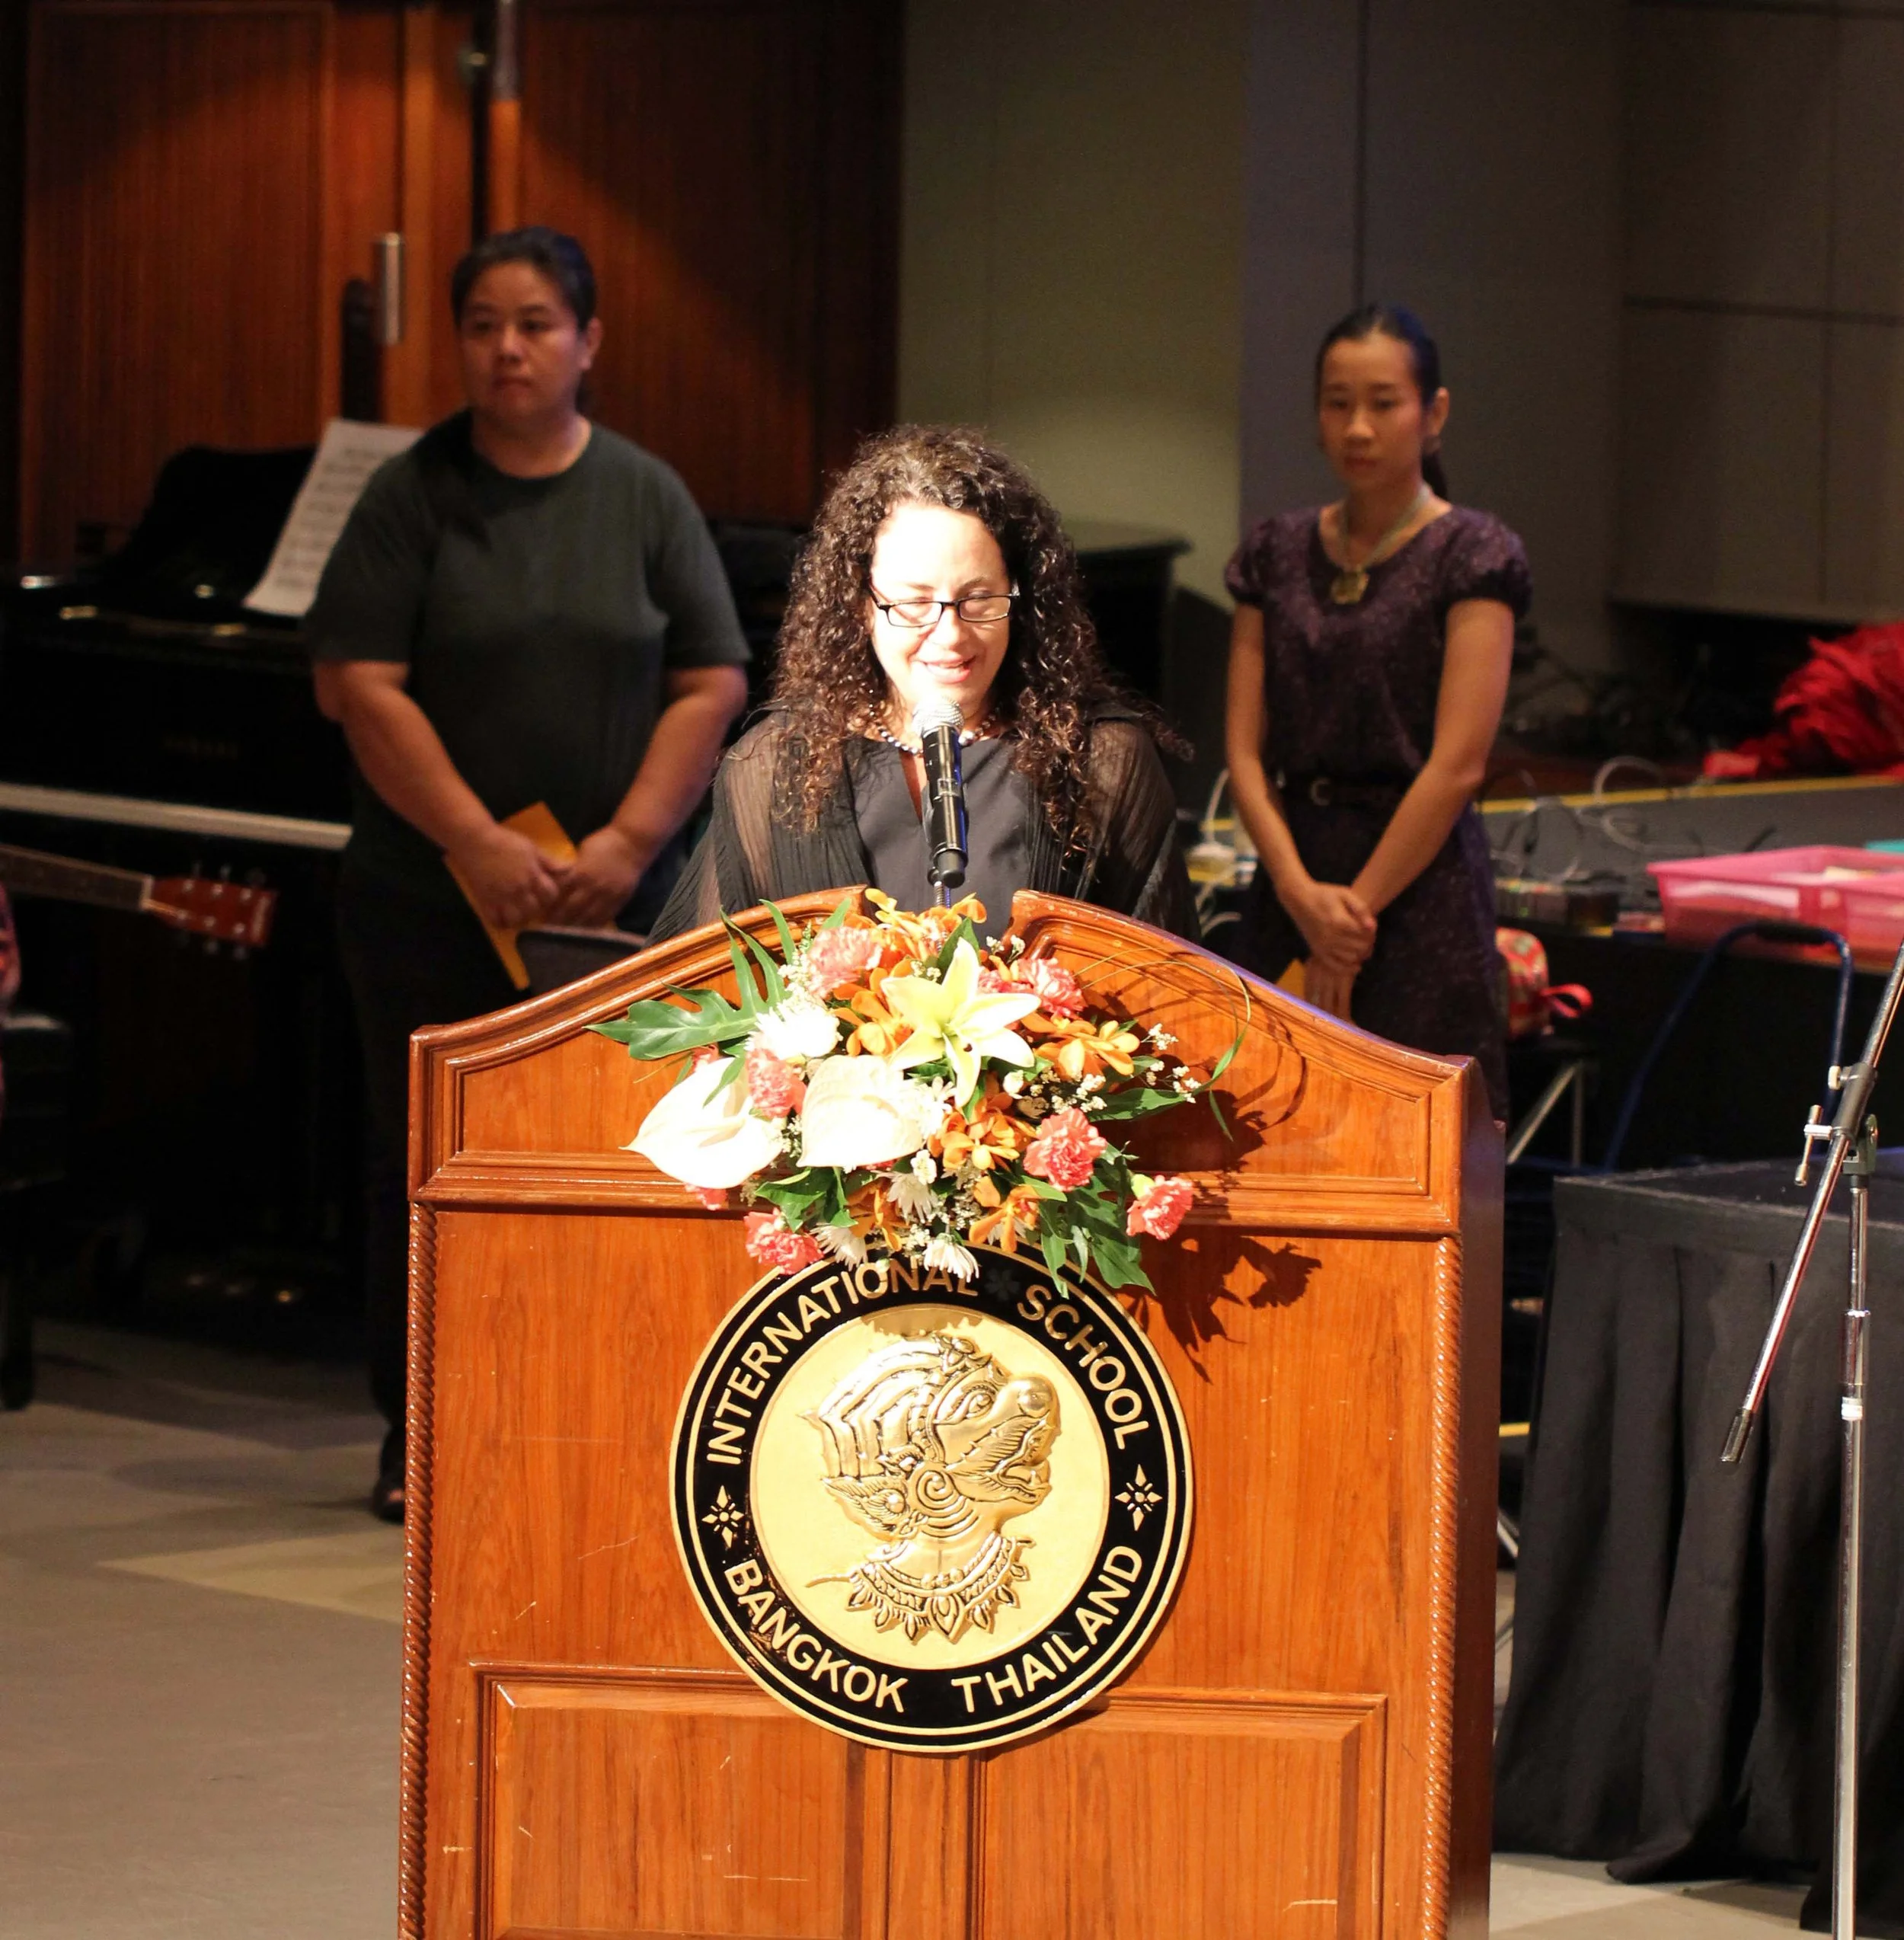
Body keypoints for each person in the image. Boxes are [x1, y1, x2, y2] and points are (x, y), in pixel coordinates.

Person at [308, 226, 750, 1519]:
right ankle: (423, 1435)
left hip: (609, 908)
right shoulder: (413, 494)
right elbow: (357, 685)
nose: (509, 349)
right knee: (426, 1164)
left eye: (537, 324)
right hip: (427, 900)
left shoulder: (644, 494)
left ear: (588, 341)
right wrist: (476, 843)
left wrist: (624, 845)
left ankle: (593, 1426)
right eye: (484, 326)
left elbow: (713, 678)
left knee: (608, 1156)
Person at [648, 424, 1195, 944]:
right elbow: (697, 985)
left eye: (978, 598)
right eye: (914, 603)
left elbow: (1170, 986)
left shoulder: (1100, 761)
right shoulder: (776, 764)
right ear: (862, 605)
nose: (951, 635)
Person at [1222, 302, 1527, 1116]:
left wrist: (1350, 918)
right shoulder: (1274, 550)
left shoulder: (1473, 552)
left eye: (1383, 403)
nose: (1358, 427)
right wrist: (1301, 896)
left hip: (1418, 888)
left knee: (1425, 1133)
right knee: (1268, 1123)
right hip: (1292, 878)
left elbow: (1458, 764)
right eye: (1338, 403)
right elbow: (1244, 753)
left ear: (1434, 413)